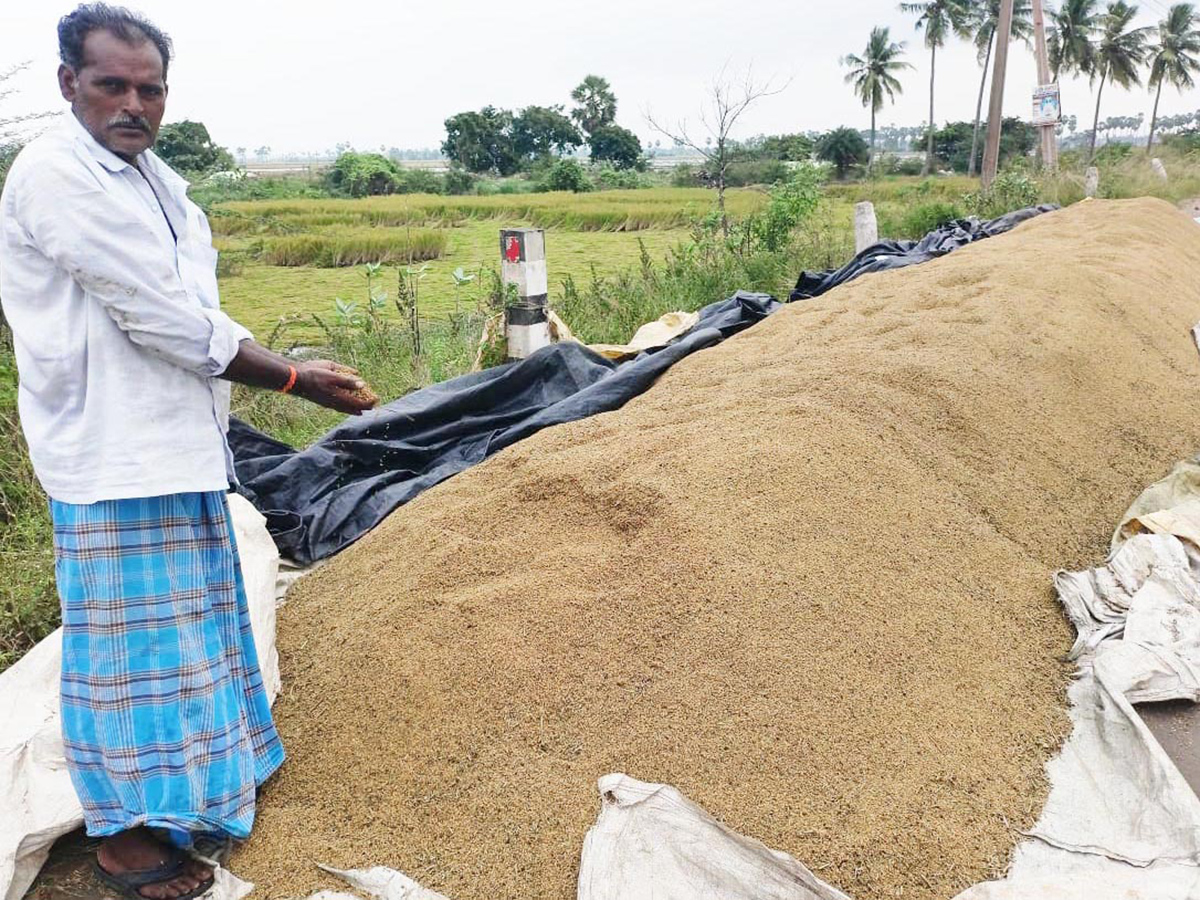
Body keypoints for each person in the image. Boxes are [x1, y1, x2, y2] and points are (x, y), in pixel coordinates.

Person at [0, 5, 376, 898]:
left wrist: (278, 361)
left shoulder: (152, 177)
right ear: (68, 85)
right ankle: (129, 844)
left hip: (172, 445)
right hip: (112, 453)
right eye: (112, 85)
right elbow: (156, 314)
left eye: (150, 88)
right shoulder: (58, 174)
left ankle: (190, 798)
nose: (135, 104)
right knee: (127, 659)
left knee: (184, 641)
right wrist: (293, 378)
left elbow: (193, 305)